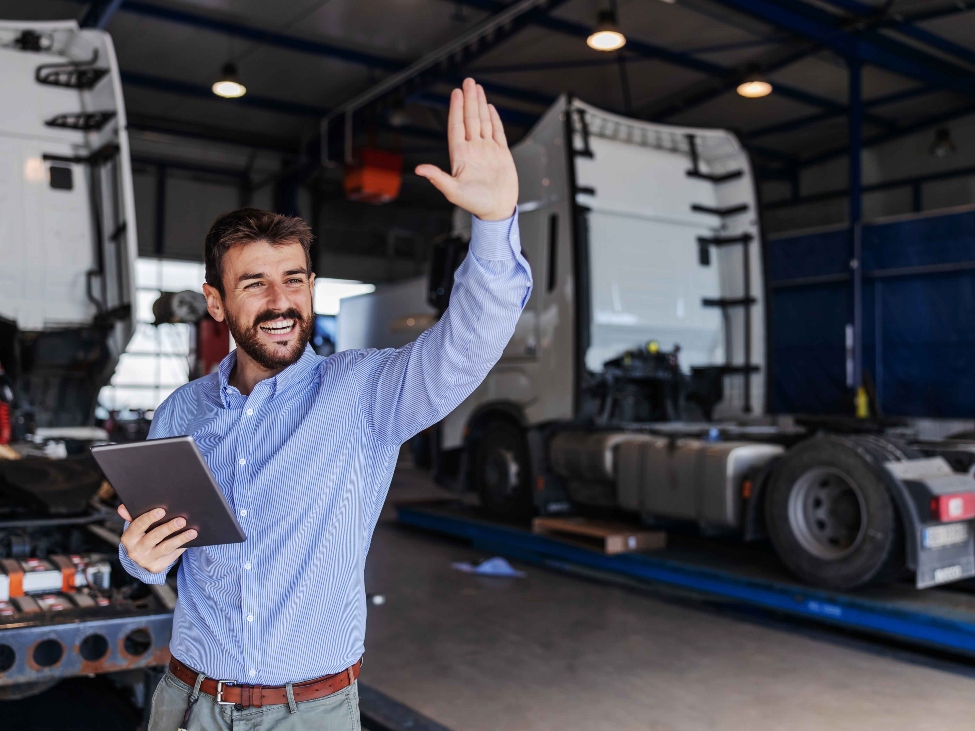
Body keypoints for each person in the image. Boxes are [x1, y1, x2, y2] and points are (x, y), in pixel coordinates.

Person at [117, 78, 530, 731]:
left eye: (295, 280)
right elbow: (154, 548)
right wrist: (137, 557)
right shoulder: (180, 412)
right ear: (216, 301)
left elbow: (466, 344)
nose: (281, 301)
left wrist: (493, 223)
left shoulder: (364, 393)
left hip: (304, 713)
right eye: (255, 283)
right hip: (186, 700)